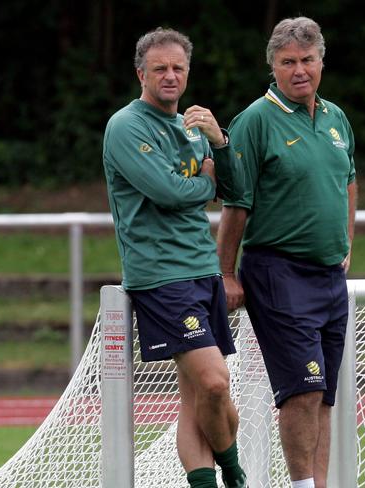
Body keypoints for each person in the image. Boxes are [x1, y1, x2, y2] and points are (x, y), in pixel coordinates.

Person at [102, 28, 247, 488]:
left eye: (178, 68)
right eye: (160, 68)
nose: (170, 76)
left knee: (199, 401)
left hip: (202, 270)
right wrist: (205, 185)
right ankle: (235, 473)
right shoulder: (126, 126)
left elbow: (237, 191)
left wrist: (219, 145)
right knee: (214, 383)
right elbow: (168, 192)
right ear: (140, 72)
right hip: (162, 276)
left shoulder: (194, 126)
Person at [217, 17, 357, 488]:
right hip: (279, 272)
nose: (300, 69)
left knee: (325, 397)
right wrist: (226, 273)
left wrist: (347, 240)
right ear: (273, 67)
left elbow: (349, 180)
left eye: (307, 60)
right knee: (303, 389)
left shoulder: (336, 118)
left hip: (329, 277)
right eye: (288, 62)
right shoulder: (256, 120)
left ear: (321, 61)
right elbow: (237, 202)